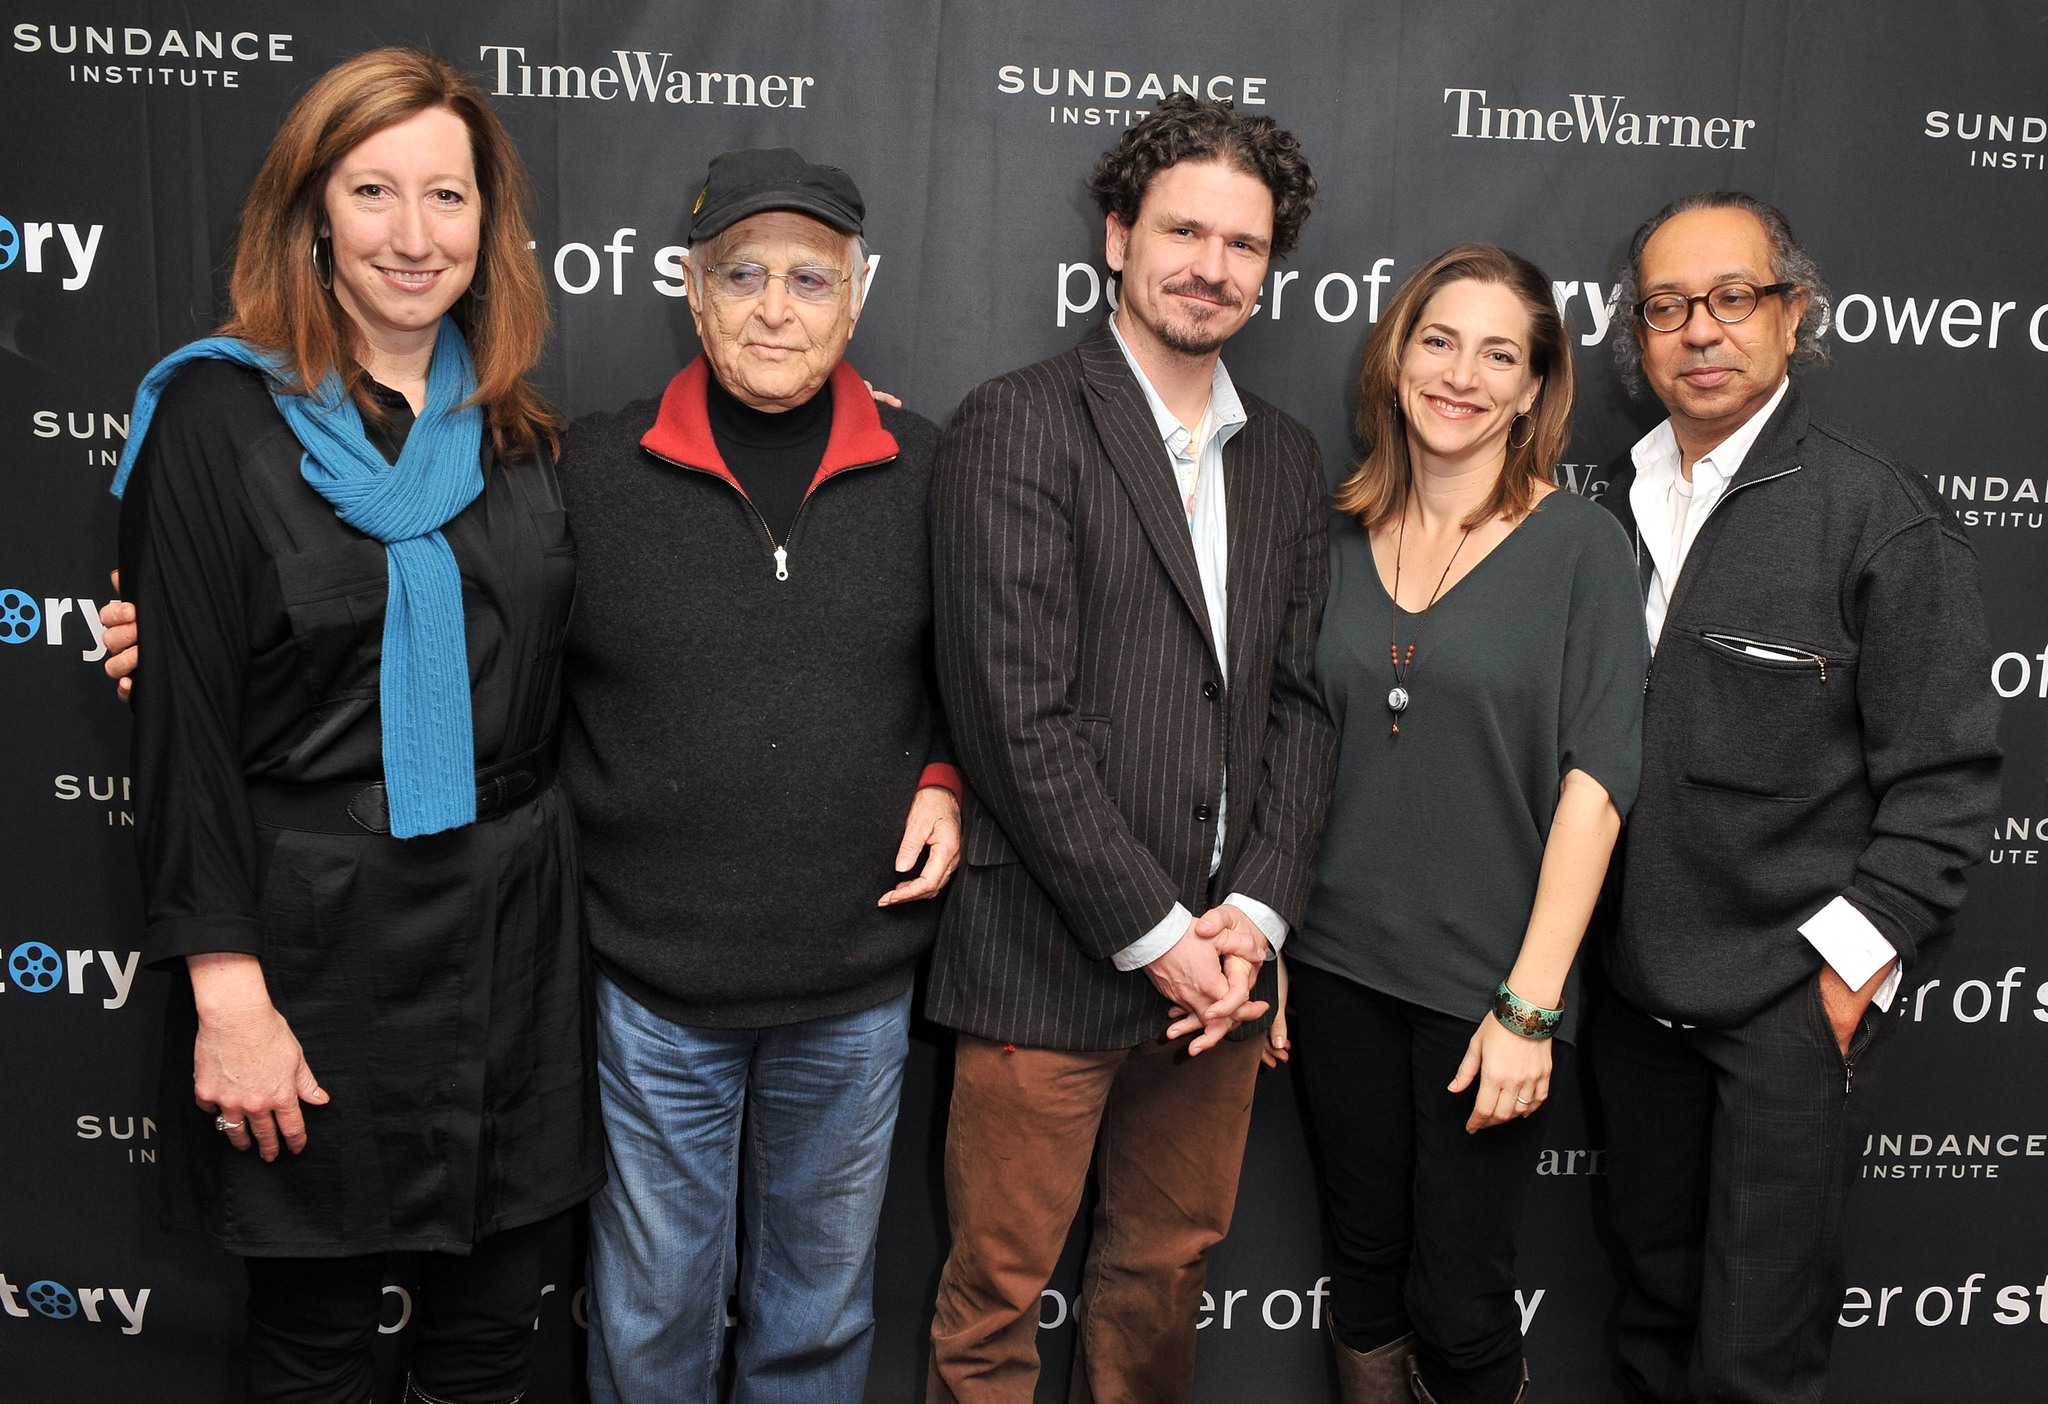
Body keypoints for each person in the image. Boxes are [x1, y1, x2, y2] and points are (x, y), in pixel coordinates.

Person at [111, 48, 600, 1404]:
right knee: (317, 1342)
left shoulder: (522, 437)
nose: (413, 234)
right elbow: (185, 739)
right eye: (373, 190)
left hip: (510, 937)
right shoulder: (216, 417)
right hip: (309, 943)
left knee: (497, 1335)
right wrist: (228, 997)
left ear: (489, 226)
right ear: (312, 210)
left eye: (448, 197)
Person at [923, 95, 1337, 1403]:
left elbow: (1298, 707)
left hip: (1221, 980)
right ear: (1118, 233)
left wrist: (1251, 924)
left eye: (1245, 244)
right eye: (1185, 230)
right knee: (994, 1298)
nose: (1213, 266)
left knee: (1164, 1283)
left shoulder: (1285, 458)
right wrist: (1165, 942)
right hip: (1051, 957)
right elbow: (1009, 715)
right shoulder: (1020, 421)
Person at [555, 147, 961, 1403]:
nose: (775, 308)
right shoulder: (586, 471)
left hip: (851, 985)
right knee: (648, 1316)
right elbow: (459, 639)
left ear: (857, 294)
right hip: (655, 988)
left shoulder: (929, 465)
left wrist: (945, 773)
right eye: (742, 275)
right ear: (690, 288)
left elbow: (988, 668)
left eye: (807, 277)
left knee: (816, 1319)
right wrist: (198, 633)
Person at [1583, 191, 2002, 1404]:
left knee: (1755, 1362)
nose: (1698, 330)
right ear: (1639, 334)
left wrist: (1833, 981)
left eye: (1731, 298)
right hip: (1634, 999)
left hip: (1784, 1006)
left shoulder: (1877, 510)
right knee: (1652, 1322)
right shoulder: (1614, 498)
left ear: (1791, 314)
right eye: (1666, 307)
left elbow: (1944, 780)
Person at [1280, 245, 1646, 1404]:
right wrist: (1274, 936)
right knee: (1367, 1277)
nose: (1462, 375)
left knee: (1459, 1295)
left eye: (1501, 354)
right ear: (1395, 361)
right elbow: (1293, 753)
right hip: (1333, 965)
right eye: (1438, 341)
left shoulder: (1579, 548)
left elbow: (1597, 786)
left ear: (1534, 389)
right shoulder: (1331, 532)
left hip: (1486, 992)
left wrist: (1529, 1008)